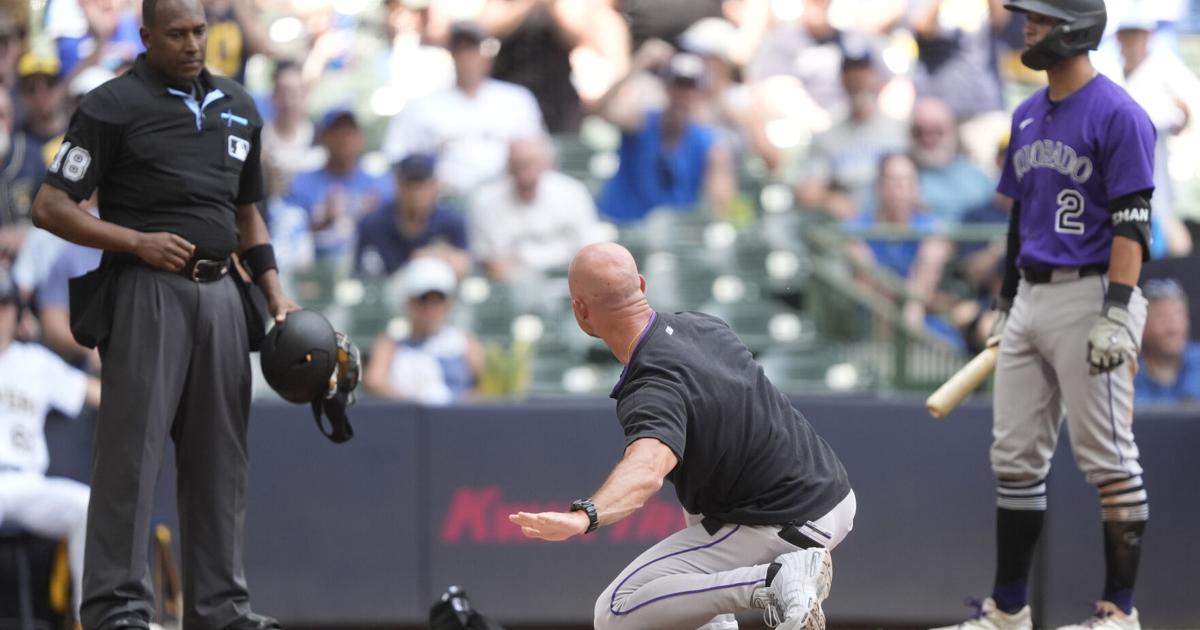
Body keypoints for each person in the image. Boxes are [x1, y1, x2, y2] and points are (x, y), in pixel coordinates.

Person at [29, 0, 298, 628]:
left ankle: (222, 608)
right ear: (146, 35)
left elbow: (246, 213)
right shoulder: (111, 104)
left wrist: (274, 289)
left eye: (199, 30)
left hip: (225, 296)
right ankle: (116, 608)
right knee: (131, 457)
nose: (192, 43)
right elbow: (49, 205)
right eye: (176, 33)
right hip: (147, 288)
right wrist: (133, 239)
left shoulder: (238, 104)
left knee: (221, 461)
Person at [932, 1, 1157, 628]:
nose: (1027, 25)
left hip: (1092, 294)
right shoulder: (1027, 112)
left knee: (1110, 459)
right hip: (1030, 293)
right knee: (1015, 460)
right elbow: (1017, 216)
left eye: (1040, 16)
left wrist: (1117, 309)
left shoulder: (1119, 112)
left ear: (1076, 26)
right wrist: (1005, 301)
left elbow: (1132, 221)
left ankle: (1119, 615)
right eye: (1025, 15)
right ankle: (1008, 612)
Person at [510, 242, 856, 630]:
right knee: (692, 534)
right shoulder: (705, 325)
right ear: (641, 284)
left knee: (615, 611)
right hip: (830, 497)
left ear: (580, 310)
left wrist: (584, 516)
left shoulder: (650, 387)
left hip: (781, 520)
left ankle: (774, 582)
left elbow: (647, 469)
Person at [0, 264, 100, 620]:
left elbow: (94, 392)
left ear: (16, 311)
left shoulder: (34, 362)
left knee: (86, 504)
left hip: (27, 482)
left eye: (4, 306)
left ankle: (88, 619)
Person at [381, 21, 544, 196]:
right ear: (451, 54)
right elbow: (396, 156)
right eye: (460, 49)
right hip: (444, 201)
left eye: (473, 48)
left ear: (488, 54)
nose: (467, 56)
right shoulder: (422, 105)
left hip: (506, 198)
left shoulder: (516, 99)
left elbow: (538, 155)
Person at [597, 49, 735, 223]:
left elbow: (721, 205)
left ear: (699, 94)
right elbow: (603, 111)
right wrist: (637, 65)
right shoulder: (640, 122)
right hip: (625, 227)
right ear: (666, 88)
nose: (682, 95)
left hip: (674, 238)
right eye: (676, 86)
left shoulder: (708, 143)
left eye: (689, 89)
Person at [467, 134, 600, 283]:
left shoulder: (572, 192)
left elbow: (591, 248)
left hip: (569, 277)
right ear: (508, 165)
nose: (525, 172)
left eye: (531, 163)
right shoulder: (486, 201)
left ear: (547, 163)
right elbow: (493, 261)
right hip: (516, 284)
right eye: (519, 163)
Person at [793, 50, 908, 221]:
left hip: (894, 226)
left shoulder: (900, 131)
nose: (859, 82)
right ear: (843, 81)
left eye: (864, 74)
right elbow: (806, 191)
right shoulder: (828, 136)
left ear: (877, 79)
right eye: (852, 76)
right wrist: (830, 199)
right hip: (849, 229)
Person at [362, 256, 481, 405]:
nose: (430, 309)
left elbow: (482, 387)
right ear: (409, 302)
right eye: (423, 300)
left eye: (438, 301)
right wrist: (418, 408)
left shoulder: (465, 343)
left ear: (448, 304)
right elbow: (374, 382)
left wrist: (453, 407)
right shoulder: (389, 345)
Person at [286, 107, 393, 262]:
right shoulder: (301, 183)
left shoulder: (380, 184)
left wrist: (373, 218)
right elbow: (288, 237)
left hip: (366, 268)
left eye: (349, 132)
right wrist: (323, 221)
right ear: (323, 138)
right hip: (314, 268)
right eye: (336, 132)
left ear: (360, 138)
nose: (343, 139)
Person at [354, 153, 468, 278]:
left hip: (434, 293)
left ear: (435, 185)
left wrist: (430, 258)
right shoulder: (373, 224)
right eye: (410, 184)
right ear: (397, 184)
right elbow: (360, 273)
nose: (416, 192)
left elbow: (464, 266)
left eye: (422, 184)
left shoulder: (451, 221)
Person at [909, 96, 997, 225]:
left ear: (953, 131)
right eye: (919, 132)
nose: (928, 138)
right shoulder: (897, 175)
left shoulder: (978, 177)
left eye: (937, 131)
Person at [1134, 278, 1200, 406]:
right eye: (1160, 316)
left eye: (1178, 314)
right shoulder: (1127, 372)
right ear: (1141, 326)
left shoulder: (1197, 360)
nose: (1172, 325)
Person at [0, 88, 46, 262]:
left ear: (10, 119)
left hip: (29, 259)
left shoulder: (30, 154)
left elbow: (54, 214)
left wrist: (27, 234)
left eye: (1, 115)